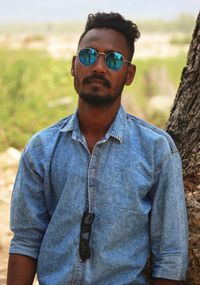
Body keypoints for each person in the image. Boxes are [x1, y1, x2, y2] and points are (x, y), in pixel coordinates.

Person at [7, 12, 188, 285]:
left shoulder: (156, 150)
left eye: (114, 60)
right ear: (74, 66)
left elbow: (170, 255)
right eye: (89, 56)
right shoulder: (41, 149)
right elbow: (26, 241)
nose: (99, 68)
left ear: (129, 74)